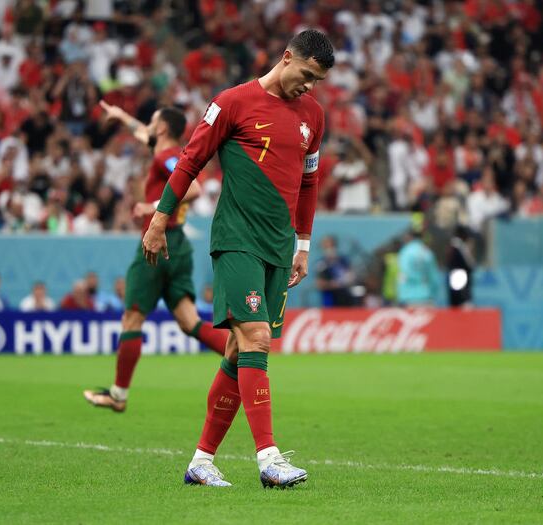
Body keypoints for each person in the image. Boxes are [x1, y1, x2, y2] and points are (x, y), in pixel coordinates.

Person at [141, 30, 334, 488]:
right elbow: (190, 160)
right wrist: (158, 221)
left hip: (278, 244)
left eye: (317, 81)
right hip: (236, 239)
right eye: (306, 75)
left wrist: (302, 244)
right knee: (256, 337)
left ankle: (201, 461)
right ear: (286, 58)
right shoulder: (232, 102)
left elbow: (309, 183)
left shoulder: (314, 116)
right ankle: (268, 457)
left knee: (236, 350)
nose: (308, 86)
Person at [83, 103, 229, 413]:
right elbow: (144, 133)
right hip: (179, 246)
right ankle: (243, 360)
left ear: (162, 129)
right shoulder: (167, 150)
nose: (147, 126)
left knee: (132, 318)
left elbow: (193, 187)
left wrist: (152, 207)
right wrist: (122, 117)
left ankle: (118, 395)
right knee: (189, 320)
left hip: (158, 244)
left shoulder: (167, 157)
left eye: (152, 121)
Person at [315, 235, 355, 306]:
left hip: (345, 297)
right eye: (326, 247)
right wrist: (332, 284)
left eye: (331, 246)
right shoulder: (322, 264)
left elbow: (351, 277)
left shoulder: (343, 260)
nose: (329, 249)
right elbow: (319, 284)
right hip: (330, 299)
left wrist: (343, 282)